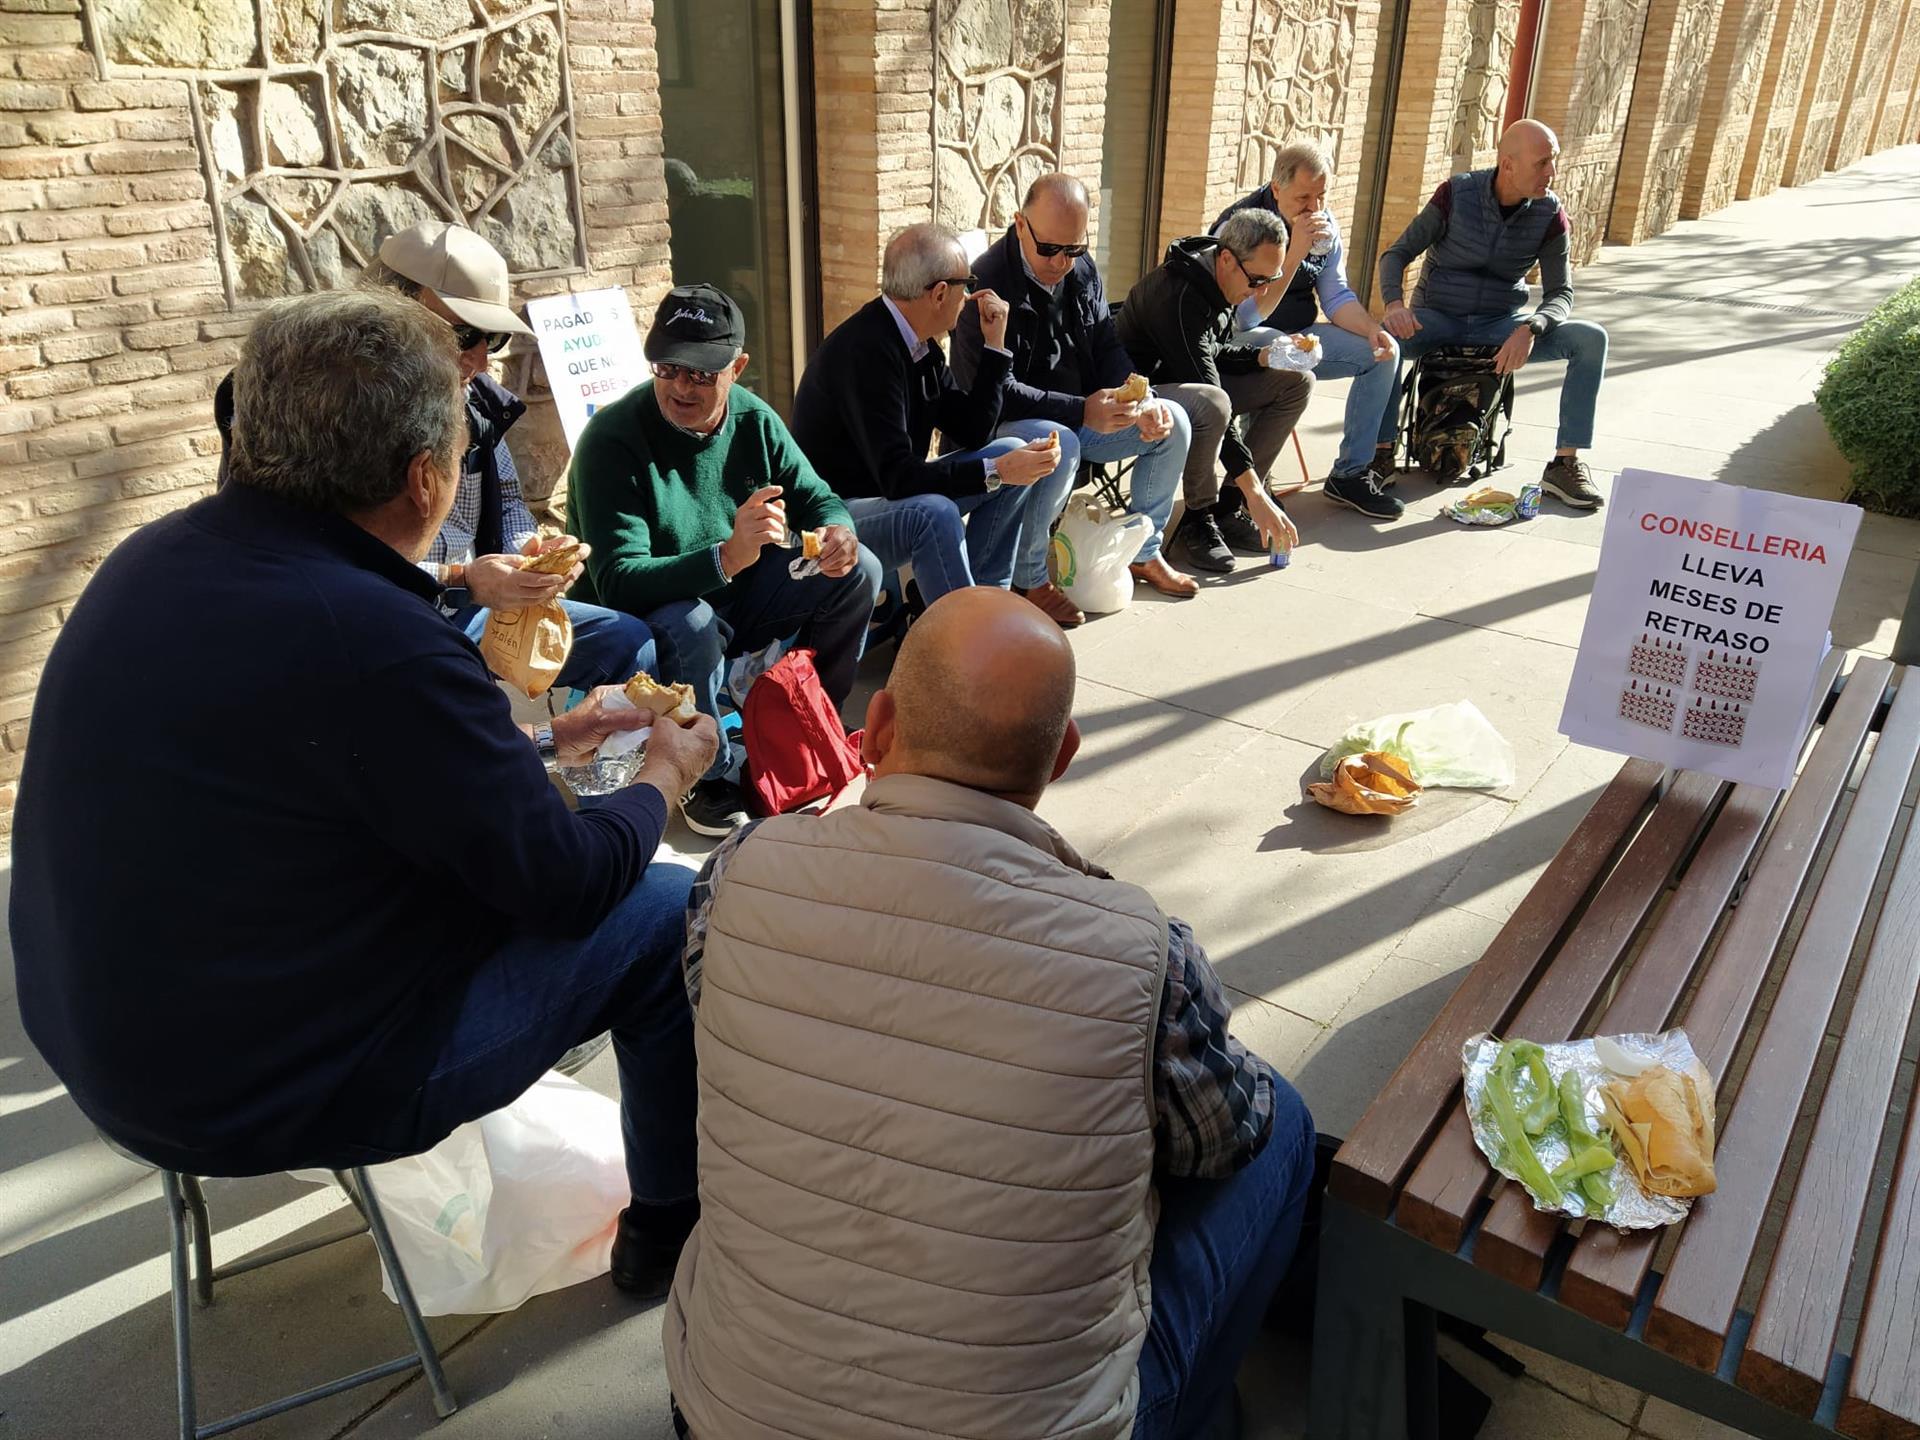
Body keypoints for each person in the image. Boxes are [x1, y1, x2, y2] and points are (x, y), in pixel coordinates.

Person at [11, 289, 720, 1298]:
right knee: (665, 907)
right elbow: (567, 886)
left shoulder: (151, 560)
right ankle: (668, 1232)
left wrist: (548, 740)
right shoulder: (376, 643)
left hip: (105, 1051)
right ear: (428, 480)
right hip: (261, 1088)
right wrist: (665, 773)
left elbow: (346, 773)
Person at [662, 587, 1318, 1440]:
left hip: (720, 1415)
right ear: (1062, 757)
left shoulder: (739, 871)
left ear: (880, 725)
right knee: (1288, 1121)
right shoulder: (1144, 950)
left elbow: (720, 1020)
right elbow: (1223, 1138)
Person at [213, 221, 659, 693]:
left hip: (464, 604)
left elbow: (507, 499)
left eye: (493, 338)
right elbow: (315, 562)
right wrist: (459, 578)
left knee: (627, 641)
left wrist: (526, 561)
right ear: (390, 310)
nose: (481, 360)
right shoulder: (317, 409)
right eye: (463, 335)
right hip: (366, 617)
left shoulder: (473, 402)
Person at [567, 283, 883, 837]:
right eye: (667, 367)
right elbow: (616, 581)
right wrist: (726, 557)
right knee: (691, 619)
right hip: (647, 622)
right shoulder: (610, 440)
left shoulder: (754, 420)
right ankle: (705, 771)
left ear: (737, 368)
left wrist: (840, 534)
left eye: (702, 374)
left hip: (733, 596)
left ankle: (808, 720)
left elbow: (820, 498)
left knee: (861, 572)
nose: (681, 386)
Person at [953, 173, 1199, 614]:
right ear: (1020, 224)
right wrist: (1081, 412)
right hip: (1005, 427)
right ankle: (1030, 579)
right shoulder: (985, 284)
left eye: (1074, 249)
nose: (1061, 262)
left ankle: (1143, 551)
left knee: (1172, 421)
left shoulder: (1081, 270)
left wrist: (1136, 400)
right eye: (1049, 249)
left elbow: (1106, 343)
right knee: (1059, 442)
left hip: (1082, 414)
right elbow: (995, 393)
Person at [789, 222, 1063, 612]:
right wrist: (996, 470)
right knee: (937, 512)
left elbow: (973, 430)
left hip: (886, 496)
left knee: (1015, 452)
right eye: (965, 284)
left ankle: (990, 605)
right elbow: (900, 478)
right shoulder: (868, 351)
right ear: (938, 293)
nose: (969, 295)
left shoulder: (918, 344)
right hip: (836, 520)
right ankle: (966, 645)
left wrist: (995, 347)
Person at [1377, 118, 1610, 510]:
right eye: (1542, 163)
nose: (1551, 172)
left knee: (1591, 339)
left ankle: (1565, 464)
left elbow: (1561, 293)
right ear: (1508, 164)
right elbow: (1396, 254)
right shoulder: (1456, 194)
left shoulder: (1550, 213)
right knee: (1382, 340)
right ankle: (1379, 452)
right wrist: (1395, 305)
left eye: (1553, 161)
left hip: (1500, 326)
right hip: (1436, 319)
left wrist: (1533, 327)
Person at [1213, 141, 1404, 520]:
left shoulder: (1322, 223)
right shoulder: (1240, 227)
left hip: (1297, 333)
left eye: (1321, 195)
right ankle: (1253, 485)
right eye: (1304, 197)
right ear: (1276, 187)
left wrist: (1370, 329)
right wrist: (1294, 252)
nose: (1315, 208)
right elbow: (1243, 318)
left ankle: (1350, 473)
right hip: (1240, 340)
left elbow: (1334, 296)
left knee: (1385, 354)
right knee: (1281, 352)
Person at [1117, 210, 1311, 575]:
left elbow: (1211, 353)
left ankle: (1229, 508)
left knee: (1296, 381)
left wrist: (1266, 355)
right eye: (1257, 280)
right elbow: (1207, 383)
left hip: (1190, 381)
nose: (1262, 292)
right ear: (1226, 259)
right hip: (1144, 394)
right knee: (1214, 403)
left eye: (1272, 279)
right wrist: (1259, 492)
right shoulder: (1179, 296)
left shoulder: (1222, 278)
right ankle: (1197, 517)